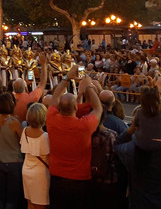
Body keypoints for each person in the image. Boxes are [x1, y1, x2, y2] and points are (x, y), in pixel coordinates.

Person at [44, 68, 101, 209]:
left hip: (57, 177)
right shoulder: (85, 125)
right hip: (80, 180)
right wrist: (88, 86)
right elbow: (98, 108)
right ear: (76, 106)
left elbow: (55, 97)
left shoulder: (51, 119)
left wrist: (66, 78)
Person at [0, 92, 25, 209]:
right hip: (14, 162)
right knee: (12, 198)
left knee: (1, 195)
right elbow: (23, 142)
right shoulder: (15, 123)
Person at [21, 103, 50, 209]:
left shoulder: (24, 131)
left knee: (30, 203)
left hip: (26, 170)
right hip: (40, 174)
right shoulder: (45, 137)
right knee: (41, 204)